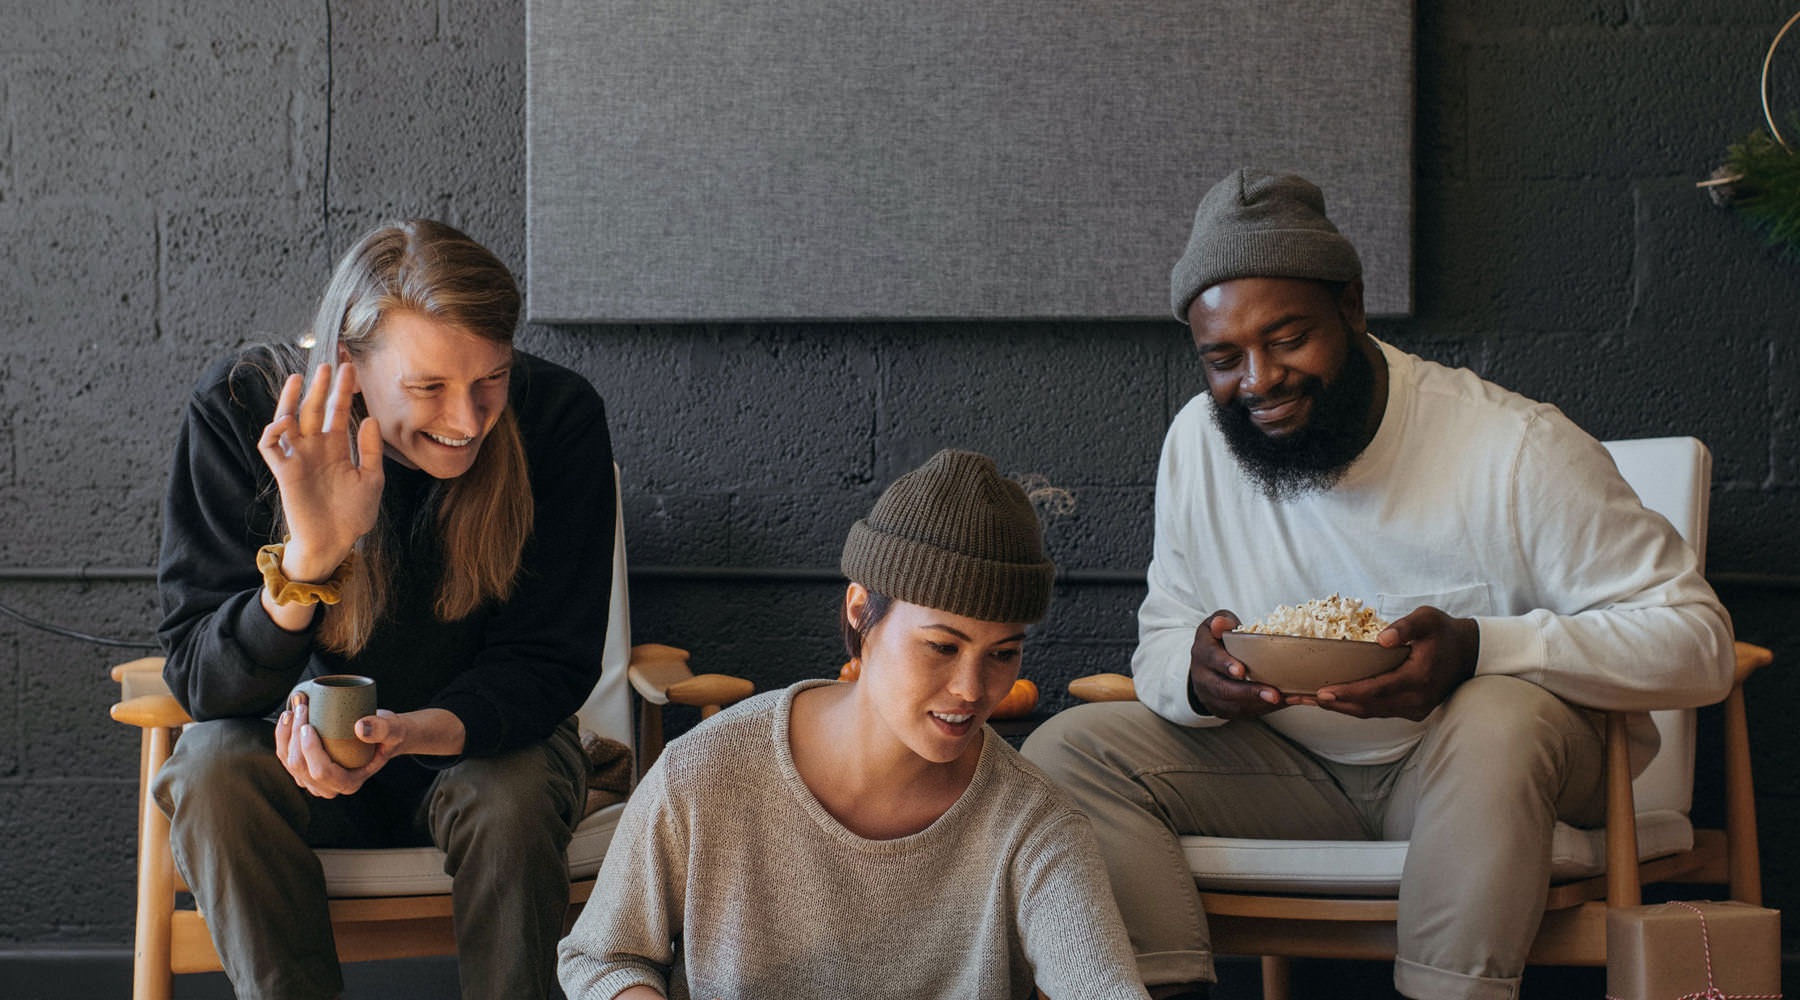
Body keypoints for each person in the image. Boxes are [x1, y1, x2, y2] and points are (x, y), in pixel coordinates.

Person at [1022, 168, 1737, 1000]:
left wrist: (1479, 649)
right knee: (1068, 750)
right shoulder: (1198, 444)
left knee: (1498, 711)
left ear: (1353, 308)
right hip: (1291, 776)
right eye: (1223, 358)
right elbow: (1162, 636)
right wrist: (1194, 674)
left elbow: (1700, 644)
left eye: (1288, 339)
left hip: (1489, 773)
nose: (1258, 379)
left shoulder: (1515, 448)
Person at [153, 219, 616, 1000]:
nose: (468, 420)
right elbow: (204, 683)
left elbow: (548, 661)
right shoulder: (239, 411)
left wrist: (411, 734)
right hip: (292, 764)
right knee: (209, 770)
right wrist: (309, 560)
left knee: (511, 792)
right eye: (429, 388)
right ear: (349, 367)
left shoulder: (557, 418)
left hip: (478, 752)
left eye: (492, 378)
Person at [557, 449, 1150, 1000]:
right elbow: (604, 957)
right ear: (861, 610)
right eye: (942, 647)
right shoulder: (708, 770)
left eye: (1003, 654)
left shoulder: (1033, 823)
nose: (972, 690)